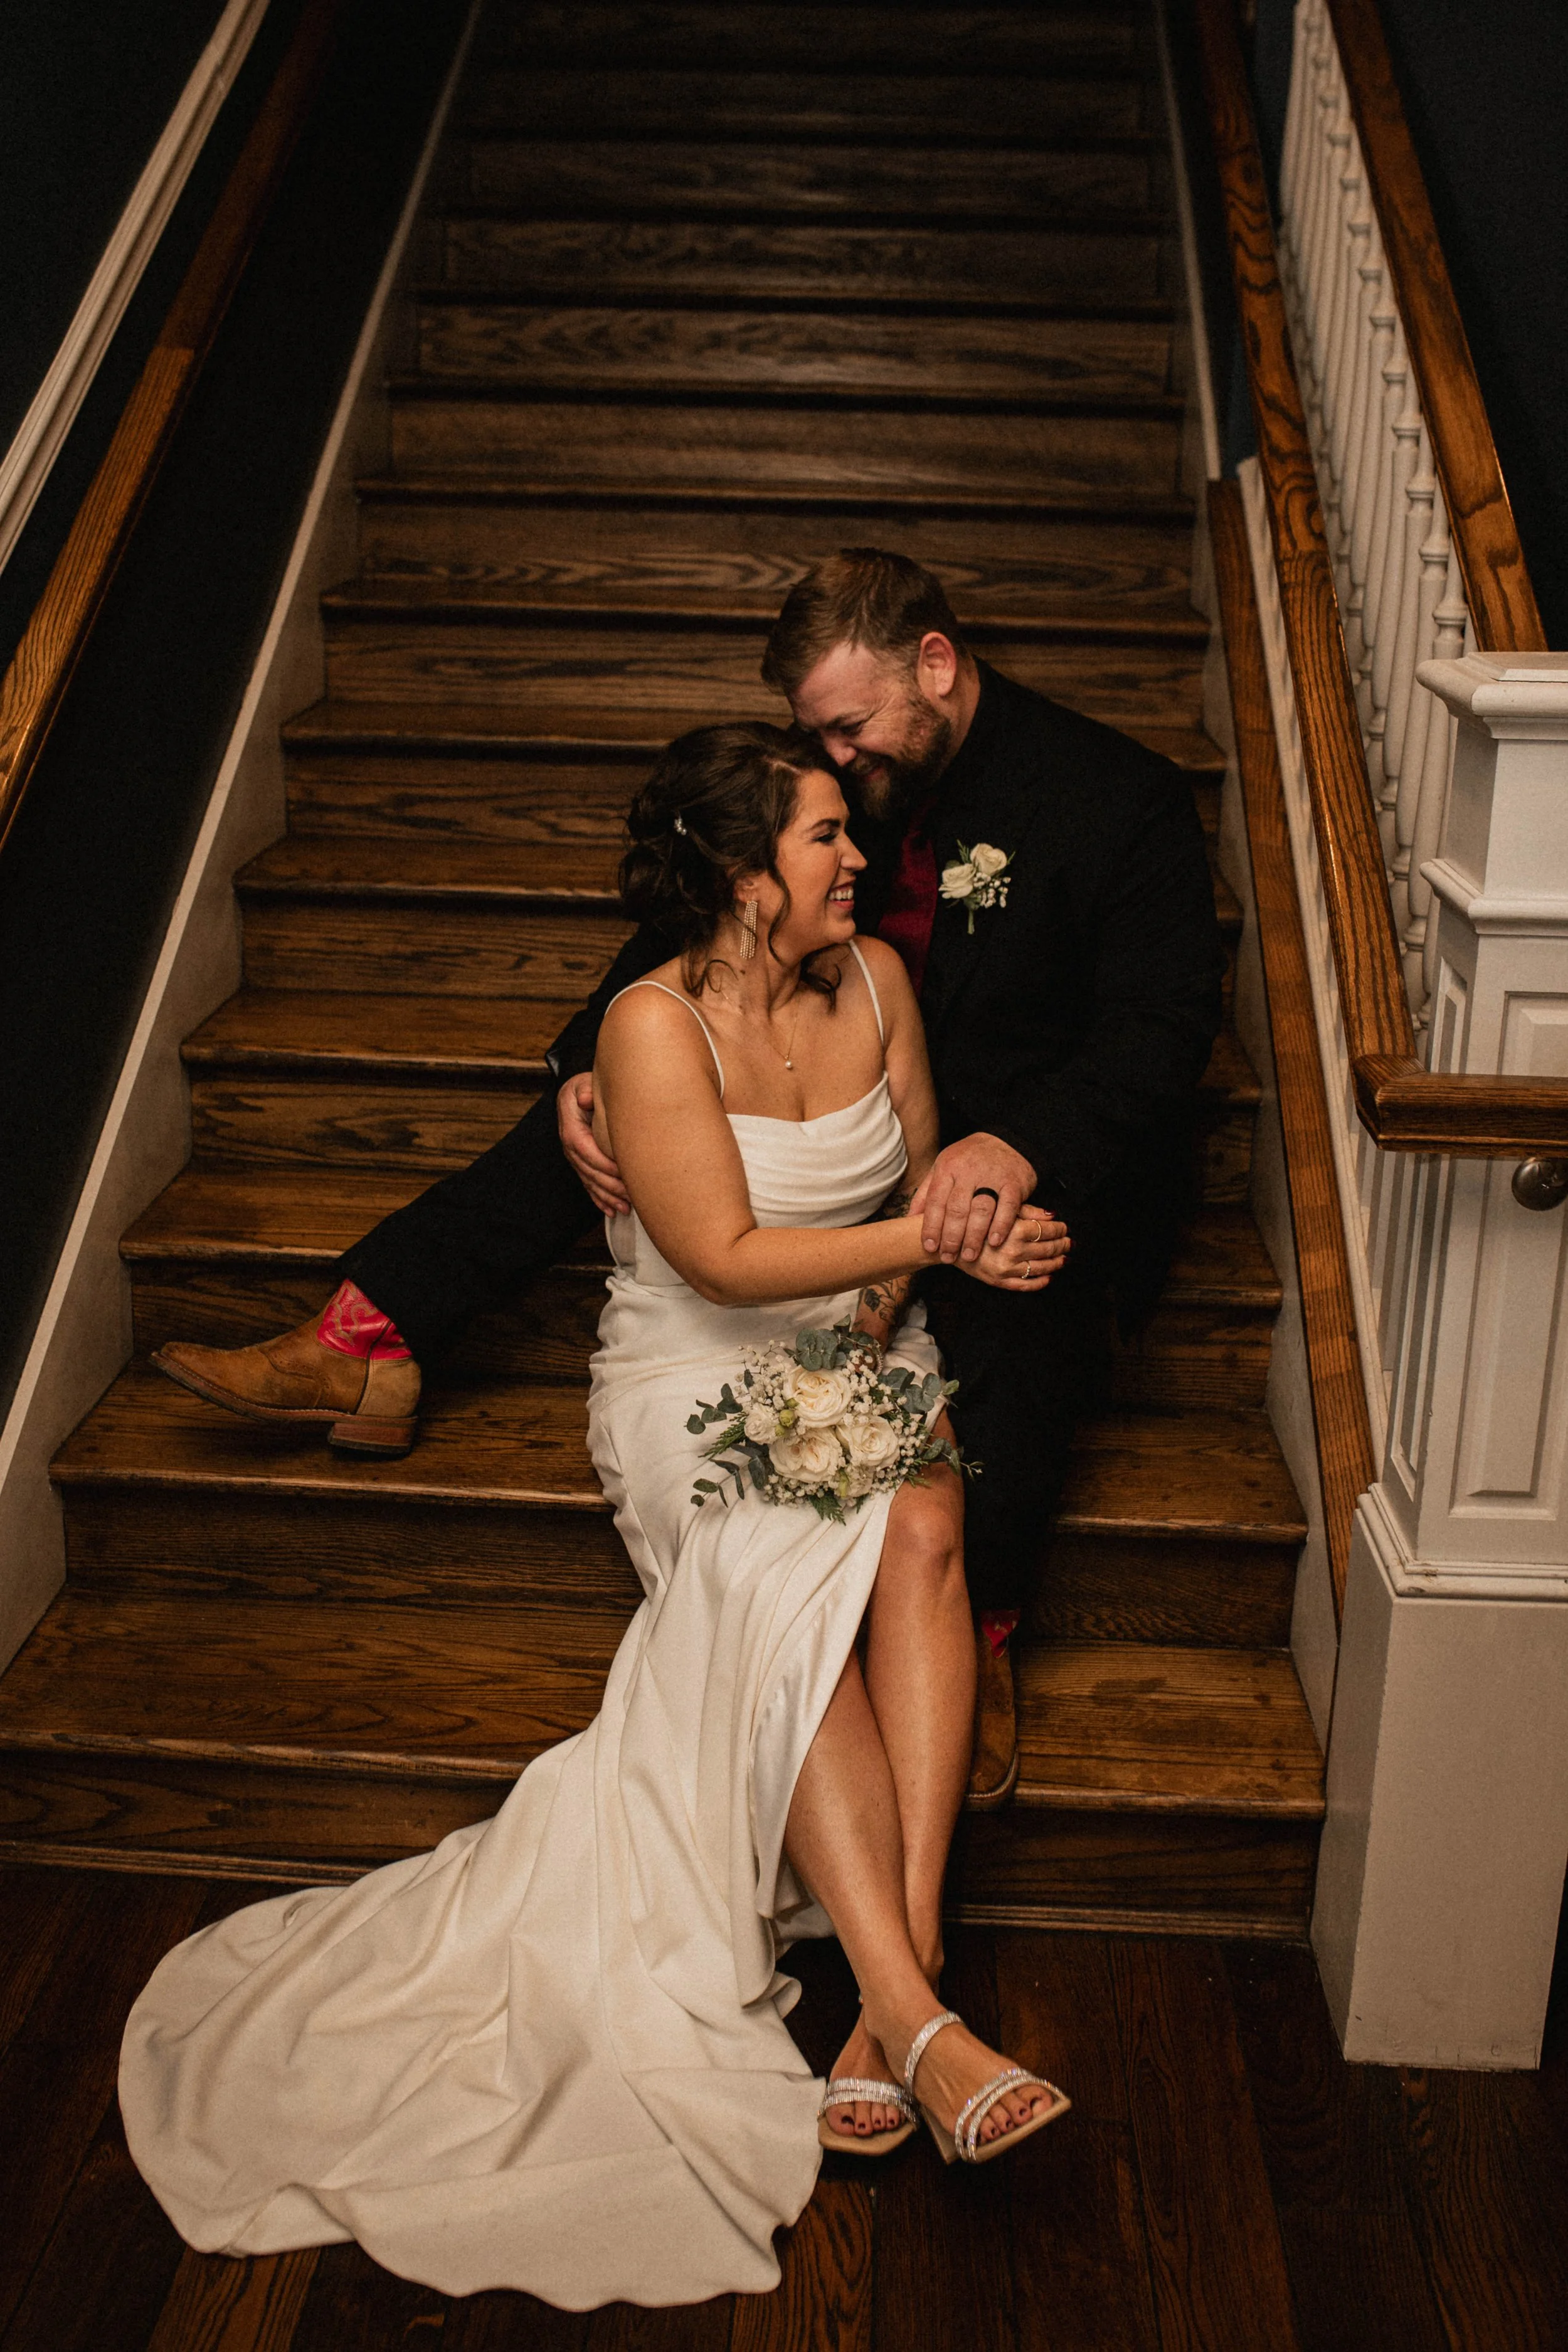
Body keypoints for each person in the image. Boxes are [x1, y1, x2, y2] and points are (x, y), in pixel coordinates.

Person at [120, 725, 1071, 2309]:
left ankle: (892, 2000)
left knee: (919, 1523)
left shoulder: (883, 985)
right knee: (770, 1572)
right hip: (696, 1367)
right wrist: (937, 1244)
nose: (858, 858)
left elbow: (902, 1198)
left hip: (858, 1335)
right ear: (742, 874)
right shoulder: (645, 1025)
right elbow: (715, 1260)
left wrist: (889, 1308)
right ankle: (919, 2014)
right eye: (824, 836)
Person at [153, 549, 1224, 1796]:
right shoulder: (849, 768)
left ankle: (975, 1628)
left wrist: (1020, 1149)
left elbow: (1160, 1032)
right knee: (603, 1126)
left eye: (848, 728)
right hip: (813, 1069)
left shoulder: (1119, 800)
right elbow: (711, 916)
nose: (835, 757)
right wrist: (590, 1061)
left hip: (1023, 1139)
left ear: (935, 664)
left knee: (1015, 1309)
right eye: (817, 735)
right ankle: (373, 1336)